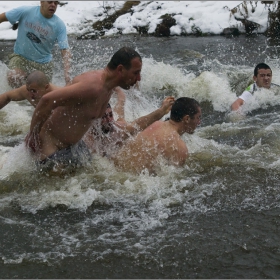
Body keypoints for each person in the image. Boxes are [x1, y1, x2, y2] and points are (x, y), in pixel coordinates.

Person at [24, 47, 146, 172]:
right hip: (51, 152)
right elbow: (46, 100)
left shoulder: (108, 87)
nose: (139, 78)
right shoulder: (92, 86)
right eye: (135, 73)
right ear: (120, 69)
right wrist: (33, 135)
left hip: (74, 148)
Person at [112, 97, 201, 175]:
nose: (199, 122)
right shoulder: (180, 147)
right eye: (198, 117)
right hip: (130, 183)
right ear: (187, 119)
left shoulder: (153, 123)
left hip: (113, 168)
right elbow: (173, 178)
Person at [83, 87, 175, 157]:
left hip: (120, 129)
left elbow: (138, 124)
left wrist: (161, 111)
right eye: (104, 117)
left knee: (120, 109)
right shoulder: (84, 138)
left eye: (110, 115)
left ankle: (119, 91)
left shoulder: (116, 129)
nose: (109, 120)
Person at [0, 1, 71, 88]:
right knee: (14, 77)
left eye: (55, 3)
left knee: (41, 93)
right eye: (50, 2)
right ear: (41, 2)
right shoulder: (25, 11)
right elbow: (2, 17)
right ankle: (17, 100)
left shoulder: (59, 25)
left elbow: (65, 50)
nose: (53, 5)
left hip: (44, 64)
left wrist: (67, 78)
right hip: (21, 58)